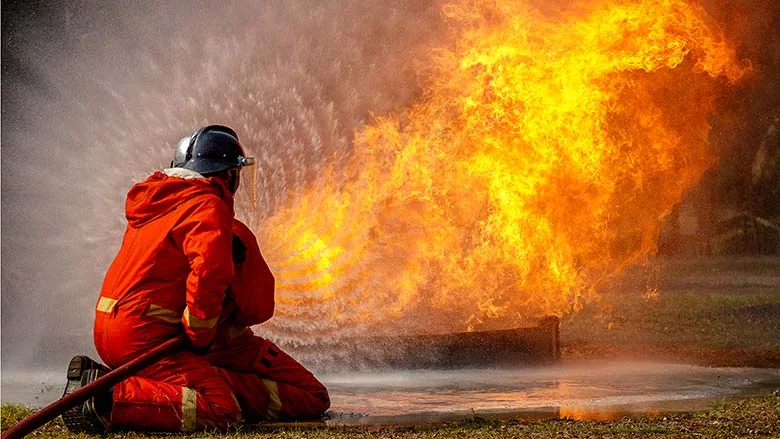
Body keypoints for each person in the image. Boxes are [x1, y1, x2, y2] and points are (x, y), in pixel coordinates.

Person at [61, 125, 329, 434]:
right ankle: (108, 398)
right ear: (228, 175)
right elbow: (213, 273)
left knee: (289, 394)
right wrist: (200, 334)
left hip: (115, 332)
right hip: (149, 338)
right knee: (222, 409)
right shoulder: (205, 205)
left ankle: (145, 384)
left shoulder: (157, 205)